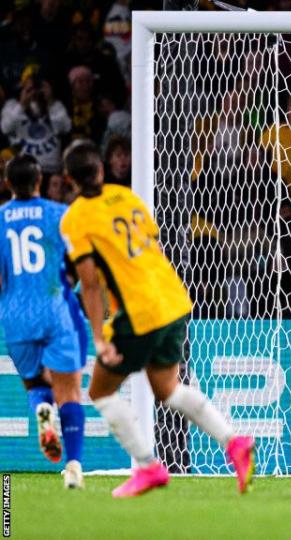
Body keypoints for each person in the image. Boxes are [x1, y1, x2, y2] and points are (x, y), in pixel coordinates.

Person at [59, 141, 254, 498]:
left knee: (100, 390)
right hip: (173, 298)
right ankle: (234, 441)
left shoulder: (75, 218)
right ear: (101, 170)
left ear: (69, 178)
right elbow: (154, 247)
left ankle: (148, 467)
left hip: (139, 311)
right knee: (167, 388)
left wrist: (101, 340)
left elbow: (88, 284)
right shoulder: (126, 197)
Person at [0, 154, 87, 489]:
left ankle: (42, 411)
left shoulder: (1, 219)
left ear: (8, 184)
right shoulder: (58, 215)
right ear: (39, 180)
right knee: (70, 392)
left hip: (16, 315)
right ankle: (74, 467)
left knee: (37, 385)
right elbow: (81, 262)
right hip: (53, 308)